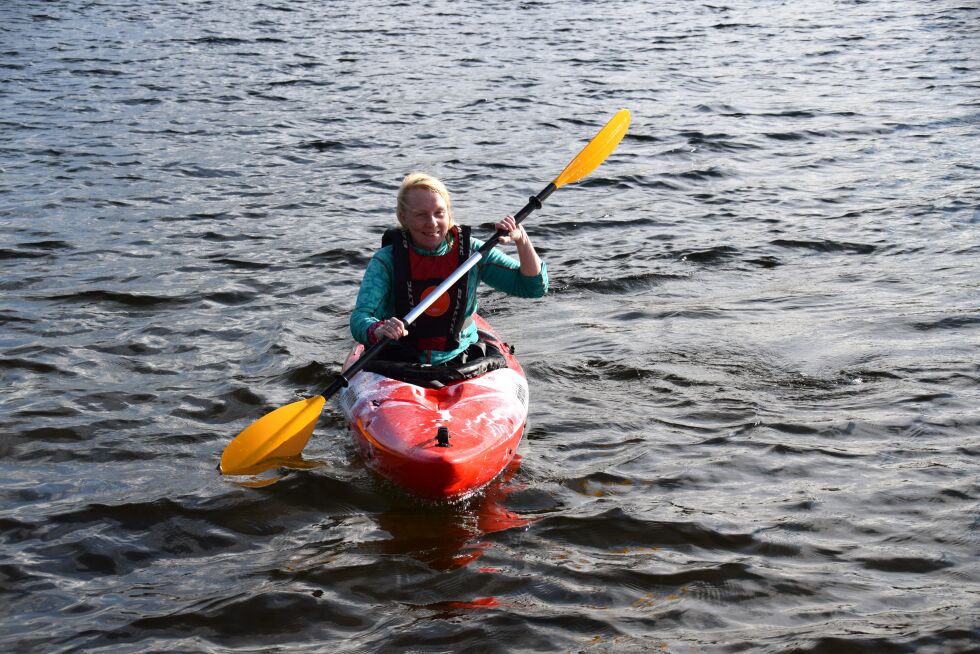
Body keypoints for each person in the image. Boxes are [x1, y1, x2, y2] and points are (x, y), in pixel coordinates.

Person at [350, 172, 548, 366]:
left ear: (449, 213)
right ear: (404, 218)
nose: (432, 223)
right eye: (421, 215)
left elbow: (532, 287)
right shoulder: (387, 260)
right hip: (398, 356)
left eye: (439, 213)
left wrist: (522, 240)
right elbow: (360, 318)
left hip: (460, 355)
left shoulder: (472, 253)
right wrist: (378, 329)